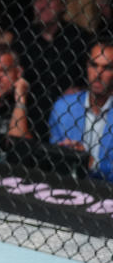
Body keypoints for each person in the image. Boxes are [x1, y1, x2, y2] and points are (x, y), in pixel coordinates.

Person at [14, 0, 92, 140]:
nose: (43, 6)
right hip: (30, 113)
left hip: (70, 116)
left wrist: (82, 90)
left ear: (63, 5)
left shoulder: (81, 39)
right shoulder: (23, 39)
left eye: (51, 0)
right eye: (39, 0)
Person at [48, 39, 113, 180]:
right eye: (94, 65)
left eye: (107, 68)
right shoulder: (63, 107)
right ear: (87, 66)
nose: (98, 73)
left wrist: (90, 163)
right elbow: (51, 158)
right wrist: (66, 154)